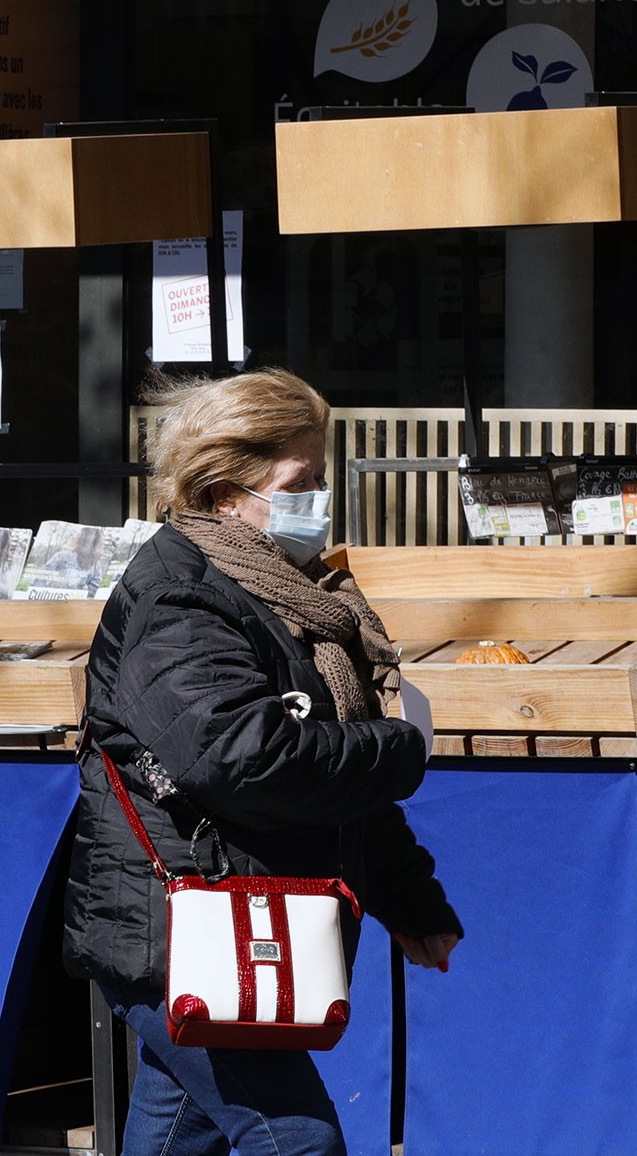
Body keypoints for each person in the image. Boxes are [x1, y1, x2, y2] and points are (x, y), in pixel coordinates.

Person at [63, 367, 461, 1156]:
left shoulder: (288, 591)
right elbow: (245, 760)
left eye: (319, 476)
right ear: (224, 491)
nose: (318, 498)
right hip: (177, 926)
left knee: (180, 1131)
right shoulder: (180, 596)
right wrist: (404, 743)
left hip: (232, 920)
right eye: (298, 480)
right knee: (297, 1141)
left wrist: (409, 899)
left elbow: (332, 791)